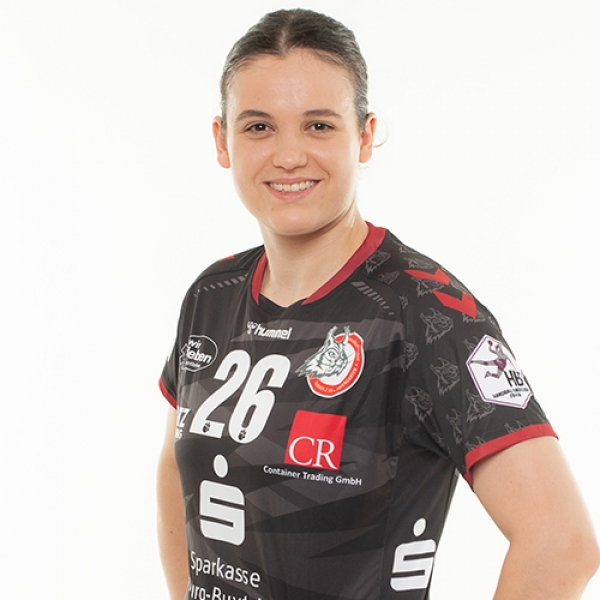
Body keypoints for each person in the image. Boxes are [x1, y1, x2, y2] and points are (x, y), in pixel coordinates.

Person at [156, 8, 599, 600]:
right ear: (223, 141)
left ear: (364, 137)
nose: (288, 156)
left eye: (318, 125)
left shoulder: (428, 313)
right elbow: (175, 468)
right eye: (259, 126)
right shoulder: (211, 295)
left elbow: (561, 542)